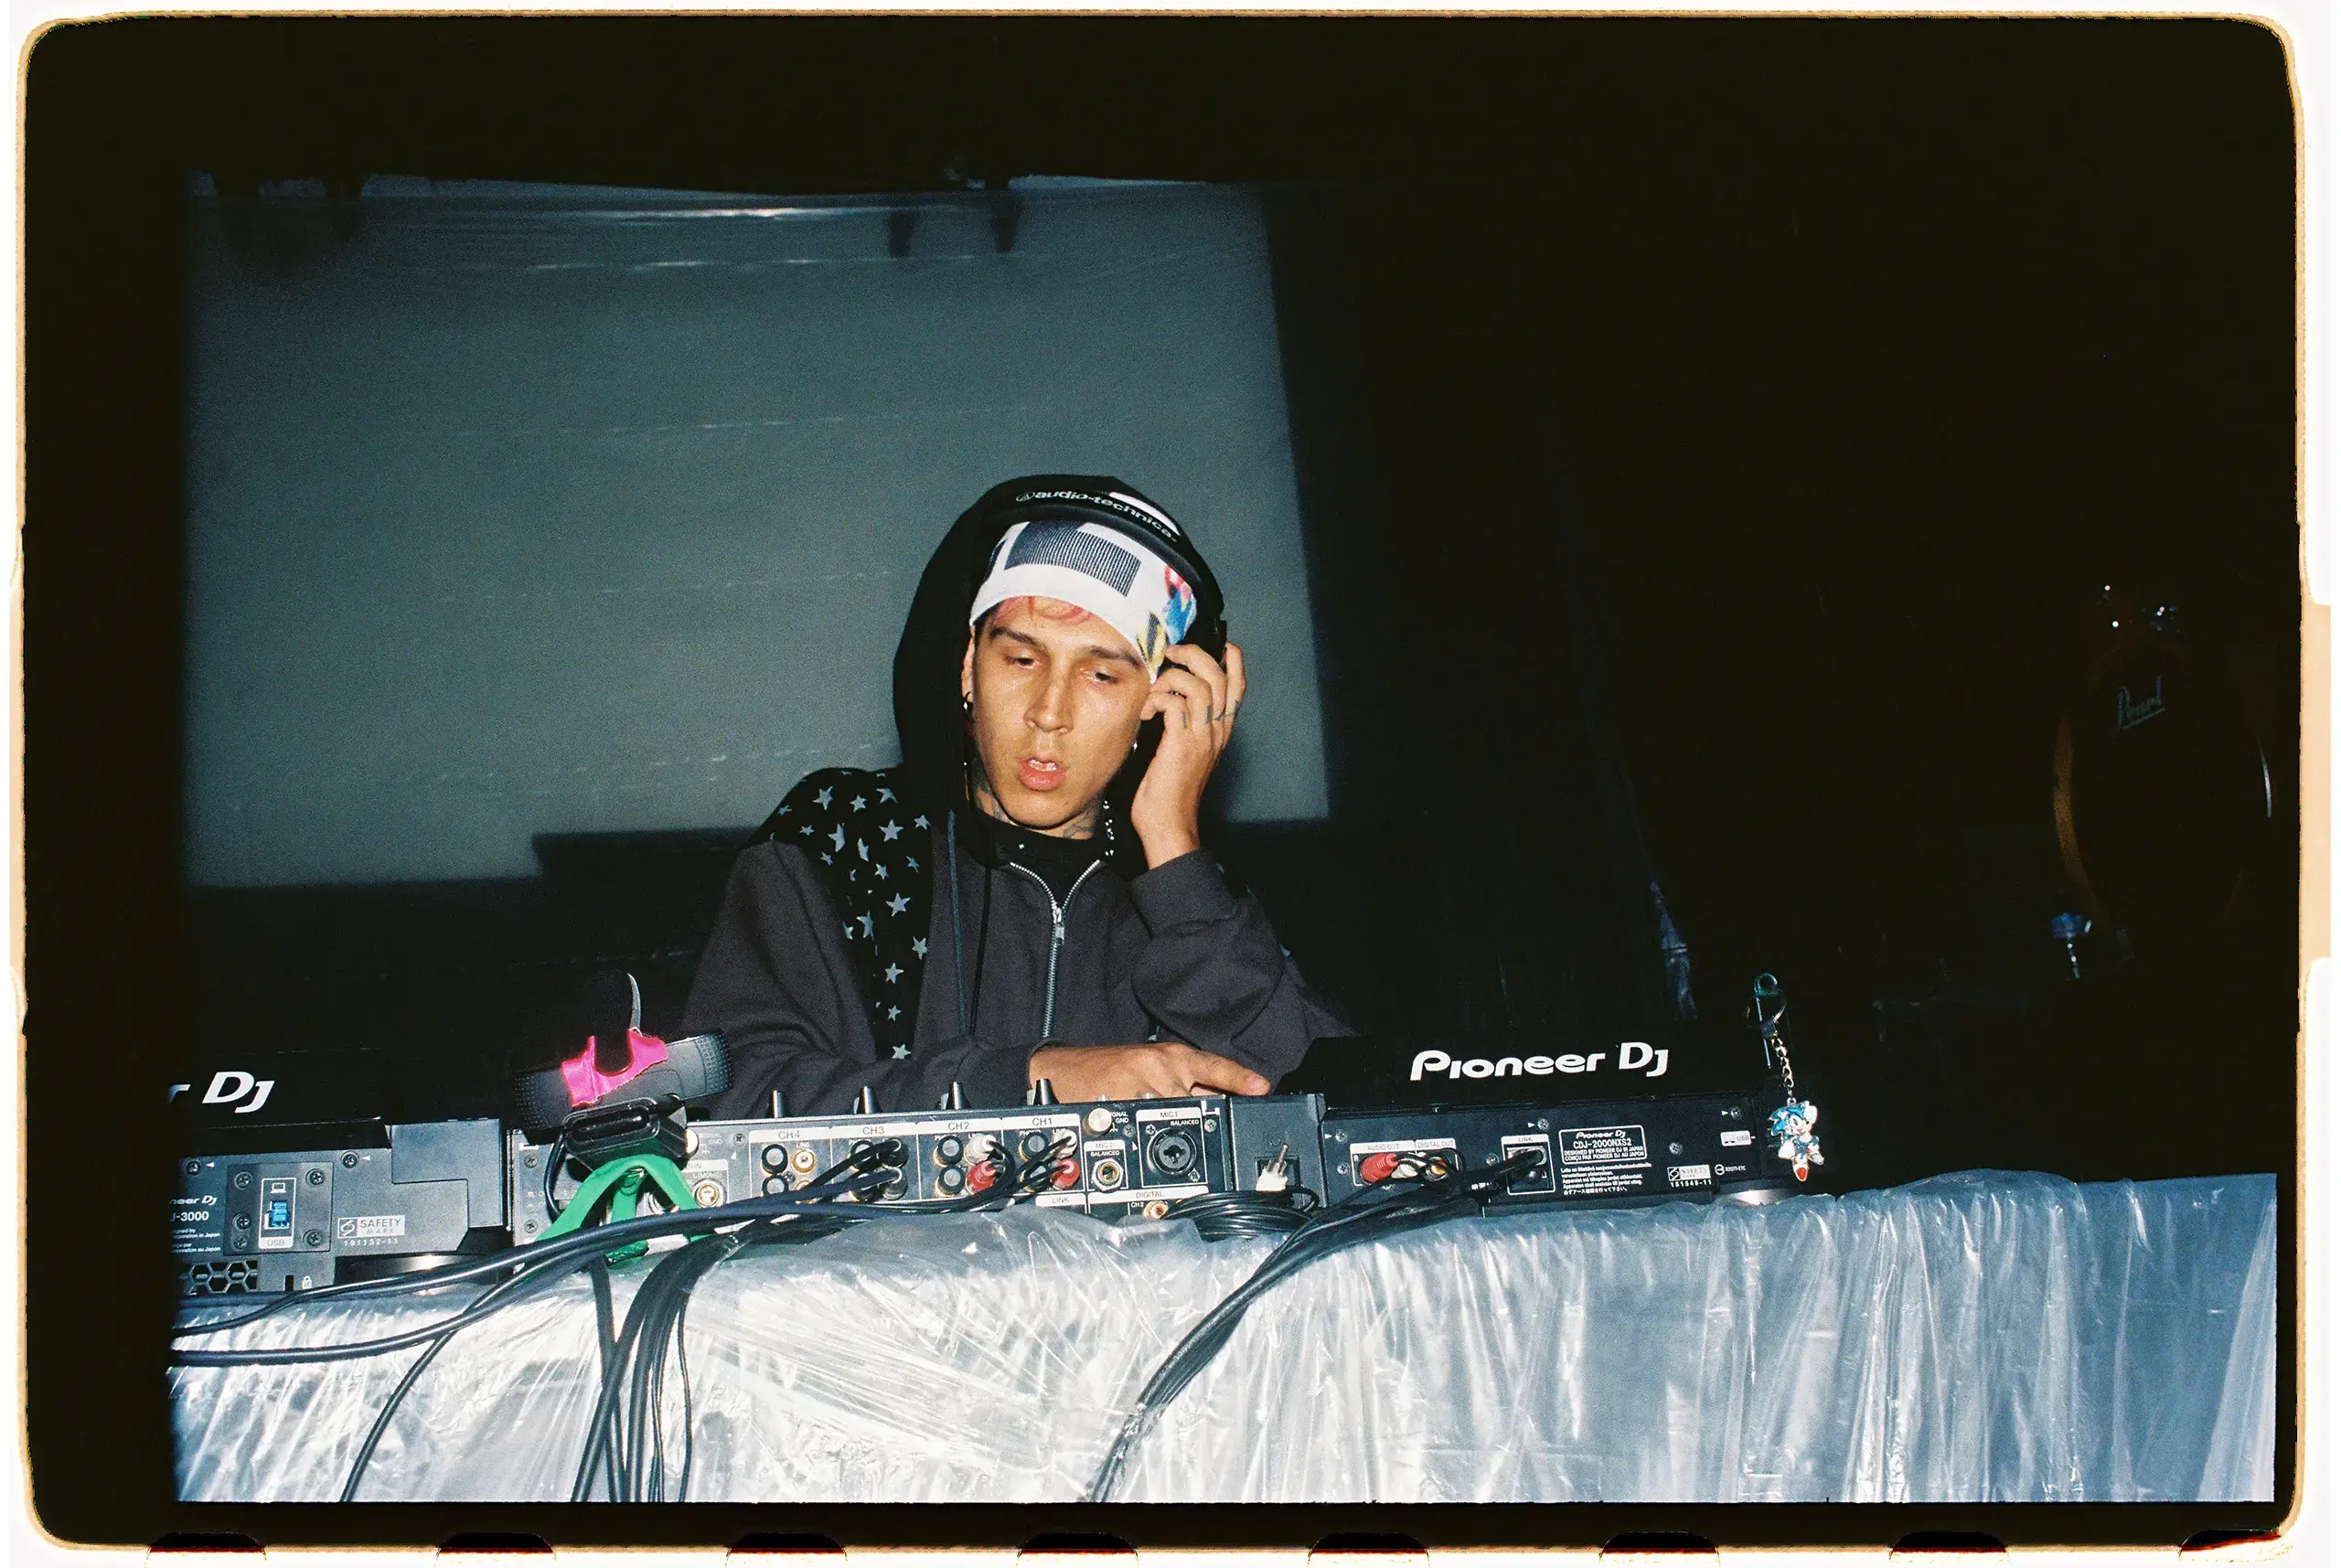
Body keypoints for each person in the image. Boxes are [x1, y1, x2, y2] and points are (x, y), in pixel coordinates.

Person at [684, 475, 1351, 1116]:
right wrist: (1032, 1082)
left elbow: (1342, 1105)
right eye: (1022, 659)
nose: (1049, 712)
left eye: (1101, 674)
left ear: (1157, 701)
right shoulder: (841, 840)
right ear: (967, 666)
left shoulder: (1188, 897)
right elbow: (727, 1092)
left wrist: (1175, 850)